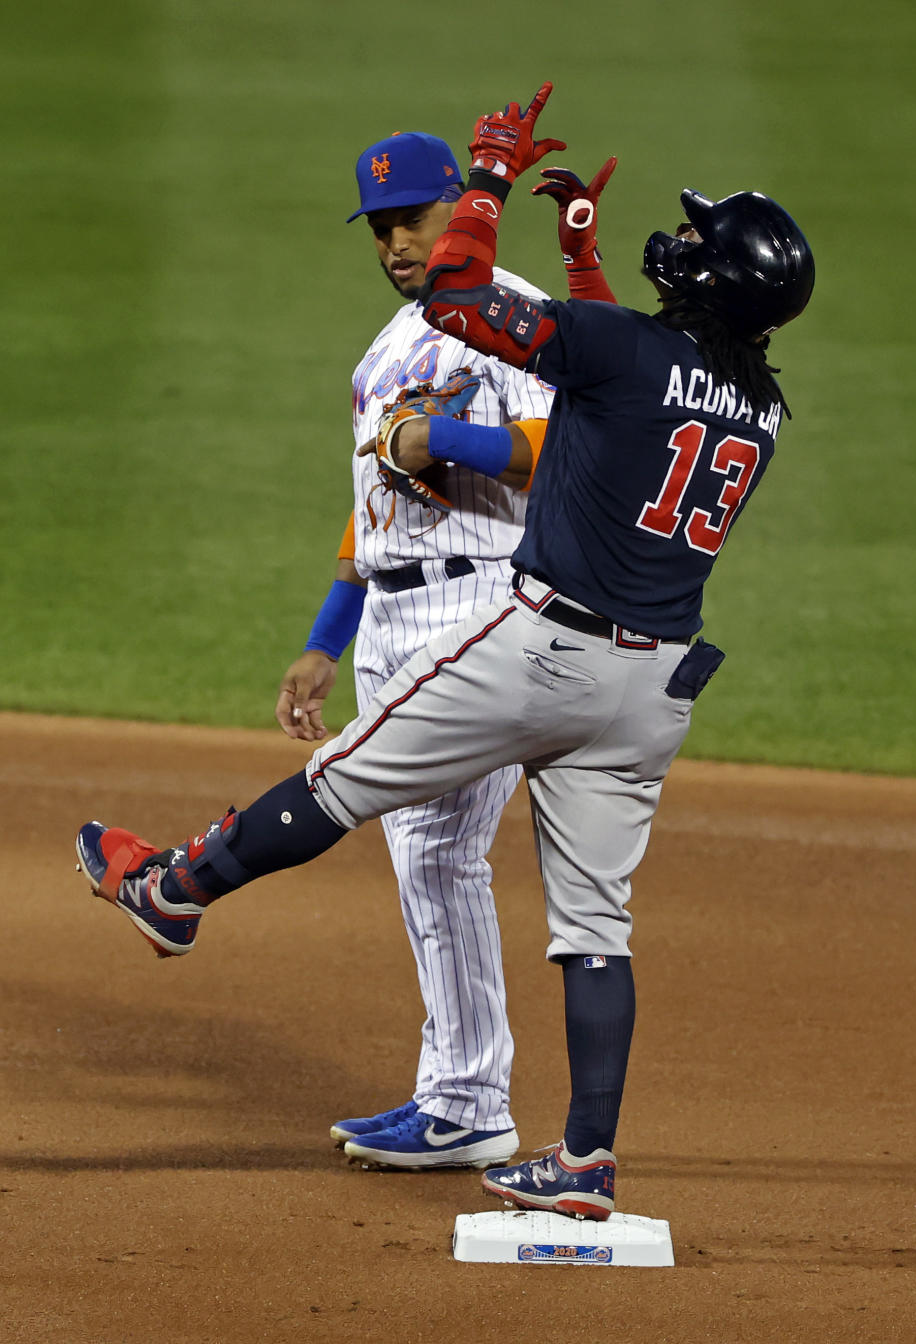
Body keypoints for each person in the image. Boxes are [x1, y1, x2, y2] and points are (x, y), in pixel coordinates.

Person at [75, 83, 814, 1221]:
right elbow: (624, 389)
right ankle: (583, 1165)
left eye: (697, 245)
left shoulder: (616, 351)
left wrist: (494, 182)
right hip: (653, 687)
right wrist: (581, 264)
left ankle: (174, 891)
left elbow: (492, 312)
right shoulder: (757, 407)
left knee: (345, 780)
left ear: (712, 282)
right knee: (595, 930)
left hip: (539, 652)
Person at [271, 129, 556, 1172]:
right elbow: (373, 503)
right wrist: (325, 638)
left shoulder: (513, 321)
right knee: (424, 862)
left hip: (480, 605)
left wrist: (448, 442)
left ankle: (472, 1100)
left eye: (415, 218)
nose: (395, 241)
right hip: (391, 618)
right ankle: (458, 1090)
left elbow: (554, 454)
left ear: (462, 211)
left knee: (438, 855)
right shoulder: (393, 343)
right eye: (381, 226)